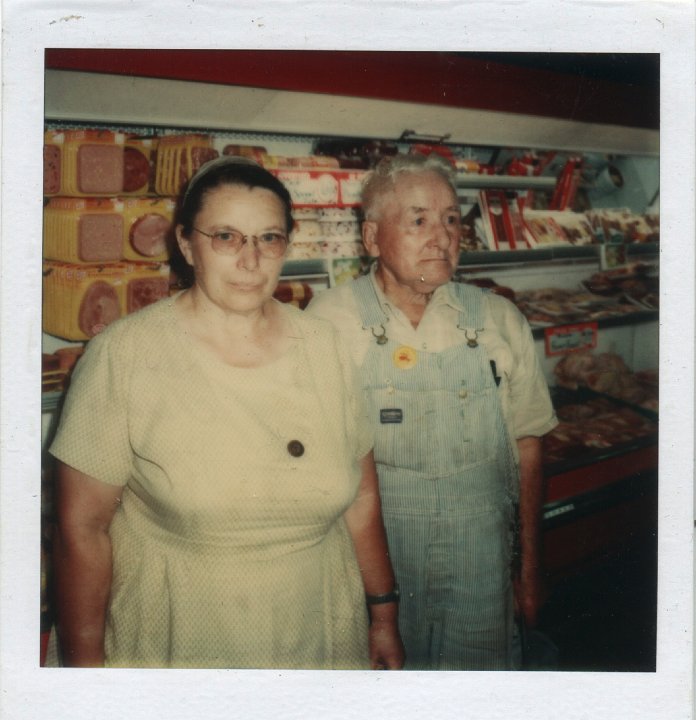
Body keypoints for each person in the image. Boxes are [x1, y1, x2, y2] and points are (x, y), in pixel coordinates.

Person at [50, 156, 404, 670]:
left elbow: (363, 499)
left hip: (321, 631)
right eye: (226, 238)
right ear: (187, 244)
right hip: (179, 640)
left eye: (269, 238)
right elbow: (80, 530)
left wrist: (384, 616)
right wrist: (86, 682)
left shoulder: (325, 347)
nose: (250, 260)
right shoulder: (124, 355)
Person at [307, 153, 558, 670]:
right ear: (373, 239)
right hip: (370, 566)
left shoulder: (497, 319)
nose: (440, 237)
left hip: (483, 567)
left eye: (450, 219)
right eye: (418, 220)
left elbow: (528, 448)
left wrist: (529, 570)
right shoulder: (328, 320)